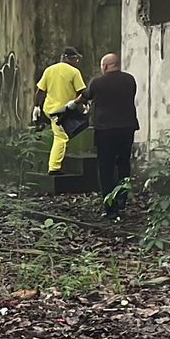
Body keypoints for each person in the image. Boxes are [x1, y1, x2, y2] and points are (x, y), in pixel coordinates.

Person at [84, 52, 139, 218]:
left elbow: (86, 96)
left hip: (105, 130)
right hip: (126, 128)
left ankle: (110, 206)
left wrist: (72, 104)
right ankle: (122, 198)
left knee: (105, 168)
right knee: (123, 163)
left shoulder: (98, 82)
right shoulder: (130, 80)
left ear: (105, 66)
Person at [33, 47, 88, 175]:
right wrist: (85, 105)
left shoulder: (49, 70)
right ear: (69, 58)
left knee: (64, 132)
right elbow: (82, 91)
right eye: (75, 59)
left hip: (50, 108)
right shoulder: (74, 72)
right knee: (61, 137)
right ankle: (54, 168)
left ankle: (57, 163)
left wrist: (36, 106)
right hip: (64, 109)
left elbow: (40, 90)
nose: (76, 61)